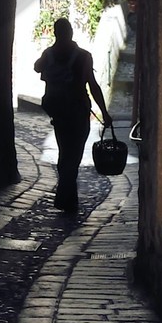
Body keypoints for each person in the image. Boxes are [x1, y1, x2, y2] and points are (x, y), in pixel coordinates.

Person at [34, 16, 107, 216]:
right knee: (73, 156)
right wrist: (105, 112)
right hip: (78, 110)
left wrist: (50, 54)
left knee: (65, 153)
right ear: (71, 32)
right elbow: (92, 85)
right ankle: (66, 198)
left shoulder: (49, 54)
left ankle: (68, 199)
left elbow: (37, 67)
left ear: (56, 33)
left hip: (57, 111)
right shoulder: (83, 56)